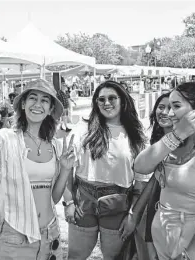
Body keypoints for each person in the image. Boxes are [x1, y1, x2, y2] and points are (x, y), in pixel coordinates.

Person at [0, 79, 76, 260]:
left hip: (50, 235)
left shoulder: (55, 146)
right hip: (17, 236)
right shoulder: (7, 138)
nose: (37, 104)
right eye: (32, 98)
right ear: (23, 104)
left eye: (44, 100)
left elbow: (53, 198)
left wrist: (65, 169)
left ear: (50, 109)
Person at [132, 82, 195, 260]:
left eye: (176, 106)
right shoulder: (170, 143)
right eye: (168, 107)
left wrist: (188, 255)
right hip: (164, 237)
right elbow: (140, 166)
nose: (170, 114)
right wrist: (177, 135)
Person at [63, 80, 147, 260]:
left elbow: (140, 182)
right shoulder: (83, 129)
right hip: (83, 200)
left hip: (118, 202)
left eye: (112, 98)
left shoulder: (135, 135)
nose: (106, 103)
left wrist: (133, 215)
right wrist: (68, 202)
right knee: (75, 256)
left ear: (123, 100)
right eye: (101, 99)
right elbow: (66, 169)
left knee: (115, 257)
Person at [120, 92, 173, 260]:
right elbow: (153, 180)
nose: (164, 112)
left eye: (171, 107)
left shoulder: (189, 144)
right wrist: (134, 215)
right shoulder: (158, 142)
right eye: (161, 107)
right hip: (154, 207)